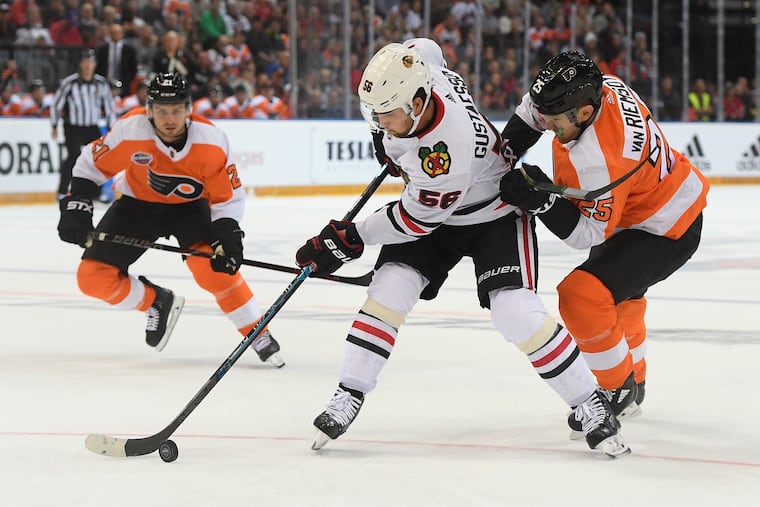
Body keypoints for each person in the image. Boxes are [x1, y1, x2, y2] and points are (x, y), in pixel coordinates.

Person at [296, 41, 630, 457]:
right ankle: (349, 392)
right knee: (389, 288)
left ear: (418, 104)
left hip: (493, 214)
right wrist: (388, 134)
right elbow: (426, 48)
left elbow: (416, 221)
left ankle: (588, 400)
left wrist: (350, 238)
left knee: (514, 311)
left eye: (387, 114)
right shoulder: (422, 72)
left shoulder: (445, 152)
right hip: (441, 208)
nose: (380, 122)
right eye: (374, 114)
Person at [499, 51, 709, 437]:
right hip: (649, 202)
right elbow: (534, 111)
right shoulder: (598, 88)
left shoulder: (601, 160)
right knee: (620, 297)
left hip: (666, 227)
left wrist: (542, 199)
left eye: (555, 120)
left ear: (583, 112)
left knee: (583, 296)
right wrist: (496, 160)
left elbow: (587, 234)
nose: (547, 126)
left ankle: (617, 388)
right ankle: (635, 380)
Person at [56, 72, 284, 367]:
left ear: (189, 109)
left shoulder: (211, 141)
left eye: (177, 110)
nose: (170, 119)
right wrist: (77, 205)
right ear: (149, 110)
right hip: (136, 205)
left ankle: (258, 333)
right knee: (92, 278)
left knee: (214, 271)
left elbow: (227, 197)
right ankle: (156, 301)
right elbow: (90, 164)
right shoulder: (130, 129)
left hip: (190, 208)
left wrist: (228, 233)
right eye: (162, 111)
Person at [50, 48, 115, 200]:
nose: (87, 65)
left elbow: (109, 107)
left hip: (92, 126)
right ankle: (62, 191)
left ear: (95, 64)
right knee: (73, 156)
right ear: (80, 64)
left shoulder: (101, 83)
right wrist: (54, 125)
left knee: (98, 158)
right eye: (85, 61)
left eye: (90, 62)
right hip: (73, 126)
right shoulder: (70, 83)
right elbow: (56, 105)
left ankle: (96, 193)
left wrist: (111, 127)